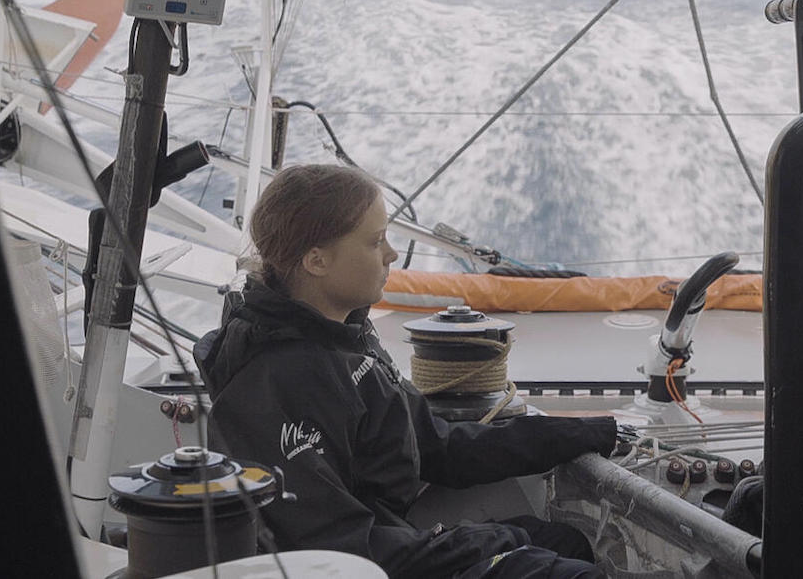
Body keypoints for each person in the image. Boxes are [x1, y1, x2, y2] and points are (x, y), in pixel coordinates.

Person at [196, 163, 617, 578]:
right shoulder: (269, 386)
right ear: (317, 260)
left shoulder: (347, 341)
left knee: (565, 541)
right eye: (376, 241)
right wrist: (495, 541)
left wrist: (588, 432)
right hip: (360, 566)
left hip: (392, 546)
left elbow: (439, 447)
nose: (391, 254)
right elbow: (338, 549)